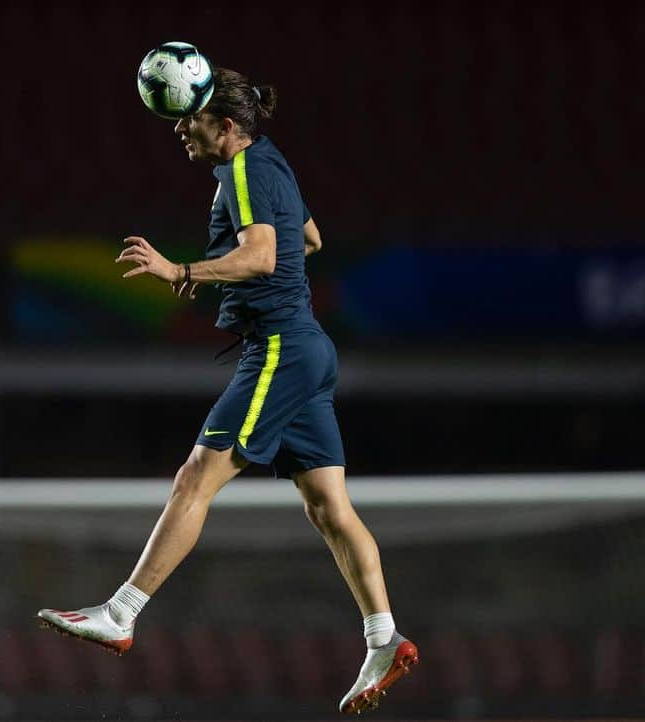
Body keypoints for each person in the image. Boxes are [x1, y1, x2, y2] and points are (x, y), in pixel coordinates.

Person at [37, 67, 418, 715]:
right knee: (327, 507)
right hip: (307, 350)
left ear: (228, 127)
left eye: (191, 120)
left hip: (279, 350)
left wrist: (183, 268)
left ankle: (122, 613)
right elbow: (311, 237)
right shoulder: (272, 163)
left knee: (195, 478)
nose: (181, 129)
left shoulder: (242, 172)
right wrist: (228, 269)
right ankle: (384, 638)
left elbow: (265, 255)